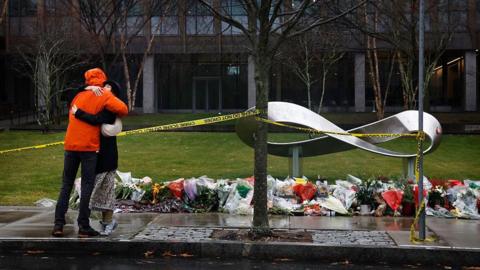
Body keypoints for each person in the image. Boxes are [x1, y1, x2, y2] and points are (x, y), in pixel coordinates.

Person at [52, 68, 128, 238]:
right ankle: (84, 226)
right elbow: (123, 109)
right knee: (87, 186)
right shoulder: (104, 96)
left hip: (70, 145)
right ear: (103, 80)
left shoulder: (78, 96)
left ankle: (58, 224)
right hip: (88, 148)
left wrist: (85, 89)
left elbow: (69, 99)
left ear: (87, 81)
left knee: (66, 185)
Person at [71, 80, 124, 236]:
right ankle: (102, 222)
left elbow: (96, 119)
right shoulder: (96, 103)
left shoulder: (110, 109)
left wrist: (78, 113)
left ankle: (107, 222)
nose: (104, 89)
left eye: (109, 88)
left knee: (105, 191)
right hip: (93, 153)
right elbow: (76, 92)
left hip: (106, 156)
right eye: (104, 86)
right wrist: (87, 87)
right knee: (95, 191)